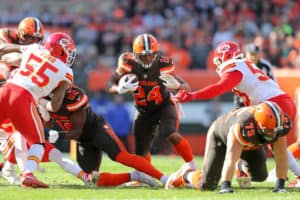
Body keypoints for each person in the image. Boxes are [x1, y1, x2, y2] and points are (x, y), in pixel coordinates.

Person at [173, 41, 296, 189]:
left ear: (225, 57)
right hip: (283, 104)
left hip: (270, 107)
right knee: (276, 145)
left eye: (218, 60)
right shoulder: (245, 64)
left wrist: (192, 96)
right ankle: (274, 180)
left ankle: (232, 177)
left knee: (249, 137)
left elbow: (219, 88)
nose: (218, 65)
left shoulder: (235, 67)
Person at [44, 85, 169, 187]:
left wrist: (57, 136)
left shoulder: (74, 97)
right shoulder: (45, 99)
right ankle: (135, 176)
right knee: (92, 180)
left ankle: (164, 179)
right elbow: (49, 125)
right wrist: (46, 117)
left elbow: (76, 131)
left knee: (122, 156)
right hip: (82, 141)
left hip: (96, 130)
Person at [107, 33, 197, 170]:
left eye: (151, 54)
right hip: (143, 110)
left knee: (170, 133)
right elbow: (109, 85)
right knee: (140, 154)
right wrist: (118, 88)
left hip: (164, 105)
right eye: (144, 55)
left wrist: (178, 86)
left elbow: (187, 88)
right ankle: (144, 175)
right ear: (135, 54)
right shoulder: (127, 62)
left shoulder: (163, 64)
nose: (148, 58)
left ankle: (192, 165)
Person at [0, 32, 76, 188]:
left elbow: (5, 51)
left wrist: (16, 49)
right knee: (38, 143)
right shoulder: (67, 72)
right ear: (60, 49)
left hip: (5, 89)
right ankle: (28, 175)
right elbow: (55, 105)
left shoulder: (35, 49)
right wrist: (42, 102)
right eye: (67, 50)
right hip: (23, 98)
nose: (70, 54)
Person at [165, 101, 292, 193]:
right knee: (208, 184)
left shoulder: (278, 125)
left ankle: (240, 167)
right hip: (221, 137)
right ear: (258, 125)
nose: (273, 134)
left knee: (260, 176)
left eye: (275, 130)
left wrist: (280, 185)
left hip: (249, 142)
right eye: (269, 131)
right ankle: (186, 175)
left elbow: (281, 156)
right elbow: (230, 157)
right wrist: (226, 185)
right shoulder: (243, 126)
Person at [0, 131, 91, 186]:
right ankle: (23, 174)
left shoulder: (34, 104)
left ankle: (85, 177)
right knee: (19, 135)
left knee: (57, 155)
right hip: (13, 142)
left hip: (31, 139)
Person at [0, 17, 45, 84]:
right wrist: (23, 48)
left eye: (36, 39)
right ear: (21, 33)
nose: (33, 42)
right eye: (29, 37)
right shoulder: (7, 34)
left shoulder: (38, 49)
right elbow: (1, 47)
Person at [234, 43, 276, 108]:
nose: (253, 57)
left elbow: (273, 83)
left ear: (259, 55)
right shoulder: (240, 64)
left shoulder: (265, 66)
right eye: (251, 54)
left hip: (261, 100)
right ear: (246, 54)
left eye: (255, 54)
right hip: (243, 100)